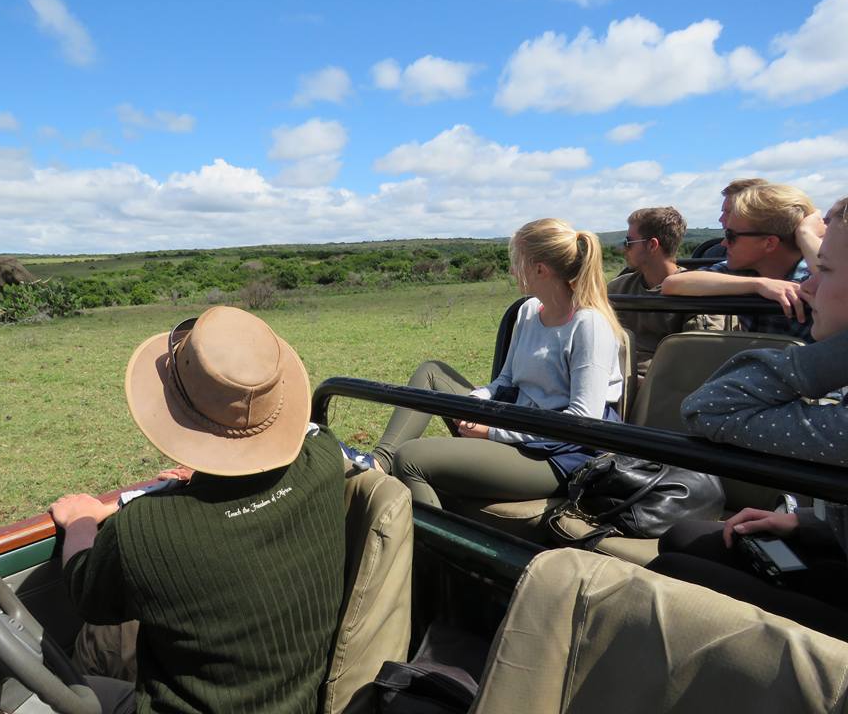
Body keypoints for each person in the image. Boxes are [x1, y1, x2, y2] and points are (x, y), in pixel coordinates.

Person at [49, 306, 346, 714]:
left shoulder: (145, 529)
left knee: (66, 679)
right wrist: (216, 470)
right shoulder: (325, 459)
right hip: (298, 701)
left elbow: (87, 593)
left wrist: (80, 521)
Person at [647, 195, 848, 640]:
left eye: (826, 269)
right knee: (685, 538)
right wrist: (807, 524)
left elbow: (709, 409)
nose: (809, 288)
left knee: (672, 569)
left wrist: (830, 355)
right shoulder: (748, 275)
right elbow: (676, 285)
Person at [345, 218, 623, 508]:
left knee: (411, 459)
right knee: (431, 373)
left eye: (517, 261)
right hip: (520, 422)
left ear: (540, 269)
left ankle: (441, 546)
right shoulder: (528, 311)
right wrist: (476, 405)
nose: (512, 270)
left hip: (558, 453)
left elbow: (581, 422)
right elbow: (506, 380)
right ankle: (378, 462)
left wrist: (491, 431)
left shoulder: (590, 325)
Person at [662, 183, 823, 341]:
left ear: (769, 243)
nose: (724, 243)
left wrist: (806, 234)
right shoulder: (747, 270)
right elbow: (672, 284)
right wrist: (759, 285)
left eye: (731, 235)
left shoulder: (811, 281)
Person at [607, 206, 720, 377]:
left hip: (664, 386)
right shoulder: (618, 288)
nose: (624, 249)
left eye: (628, 243)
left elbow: (698, 358)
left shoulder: (695, 291)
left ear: (652, 245)